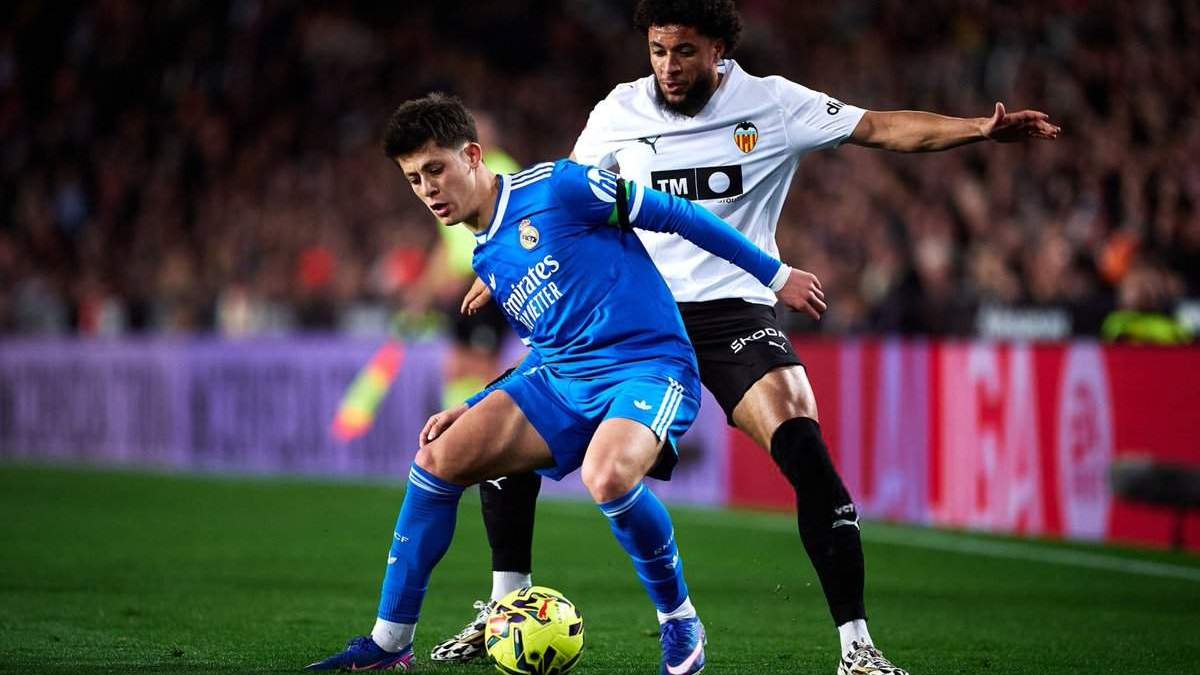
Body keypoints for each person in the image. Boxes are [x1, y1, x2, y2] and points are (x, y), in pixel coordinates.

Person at [435, 2, 1061, 674]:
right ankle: (506, 609)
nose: (668, 68)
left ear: (719, 49)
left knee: (804, 448)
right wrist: (507, 267)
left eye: (683, 52)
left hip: (731, 312)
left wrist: (977, 129)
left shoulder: (772, 104)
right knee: (502, 435)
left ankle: (857, 648)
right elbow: (561, 200)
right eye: (656, 51)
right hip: (631, 316)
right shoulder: (618, 111)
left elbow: (879, 127)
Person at [306, 92, 825, 672]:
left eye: (435, 169)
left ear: (473, 156)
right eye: (413, 179)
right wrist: (478, 404)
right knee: (436, 459)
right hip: (562, 378)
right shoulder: (485, 255)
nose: (427, 189)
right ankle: (389, 645)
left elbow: (676, 216)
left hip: (647, 366)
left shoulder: (558, 187)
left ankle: (679, 620)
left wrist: (774, 274)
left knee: (606, 475)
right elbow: (550, 345)